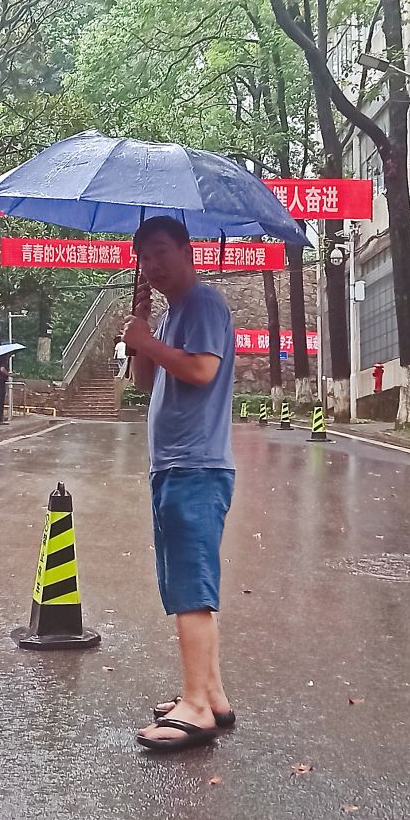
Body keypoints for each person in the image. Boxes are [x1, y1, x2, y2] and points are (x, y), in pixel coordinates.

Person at [123, 216, 237, 752]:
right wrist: (141, 337)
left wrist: (150, 340)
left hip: (197, 465)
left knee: (192, 589)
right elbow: (147, 382)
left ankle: (195, 708)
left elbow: (200, 371)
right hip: (172, 464)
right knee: (183, 584)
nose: (153, 265)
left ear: (188, 251)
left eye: (161, 252)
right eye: (144, 257)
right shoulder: (170, 315)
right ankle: (210, 693)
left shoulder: (203, 304)